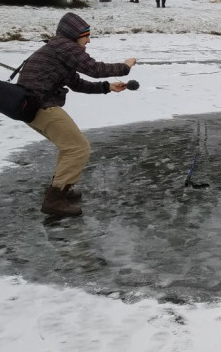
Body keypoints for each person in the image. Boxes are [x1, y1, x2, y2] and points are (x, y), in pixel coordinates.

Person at [17, 13, 136, 217]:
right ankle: (54, 199)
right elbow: (94, 68)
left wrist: (108, 87)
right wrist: (125, 67)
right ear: (74, 35)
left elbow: (77, 83)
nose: (88, 40)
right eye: (86, 36)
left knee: (69, 147)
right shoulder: (66, 47)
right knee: (78, 148)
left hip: (31, 105)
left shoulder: (60, 48)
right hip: (40, 105)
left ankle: (63, 188)